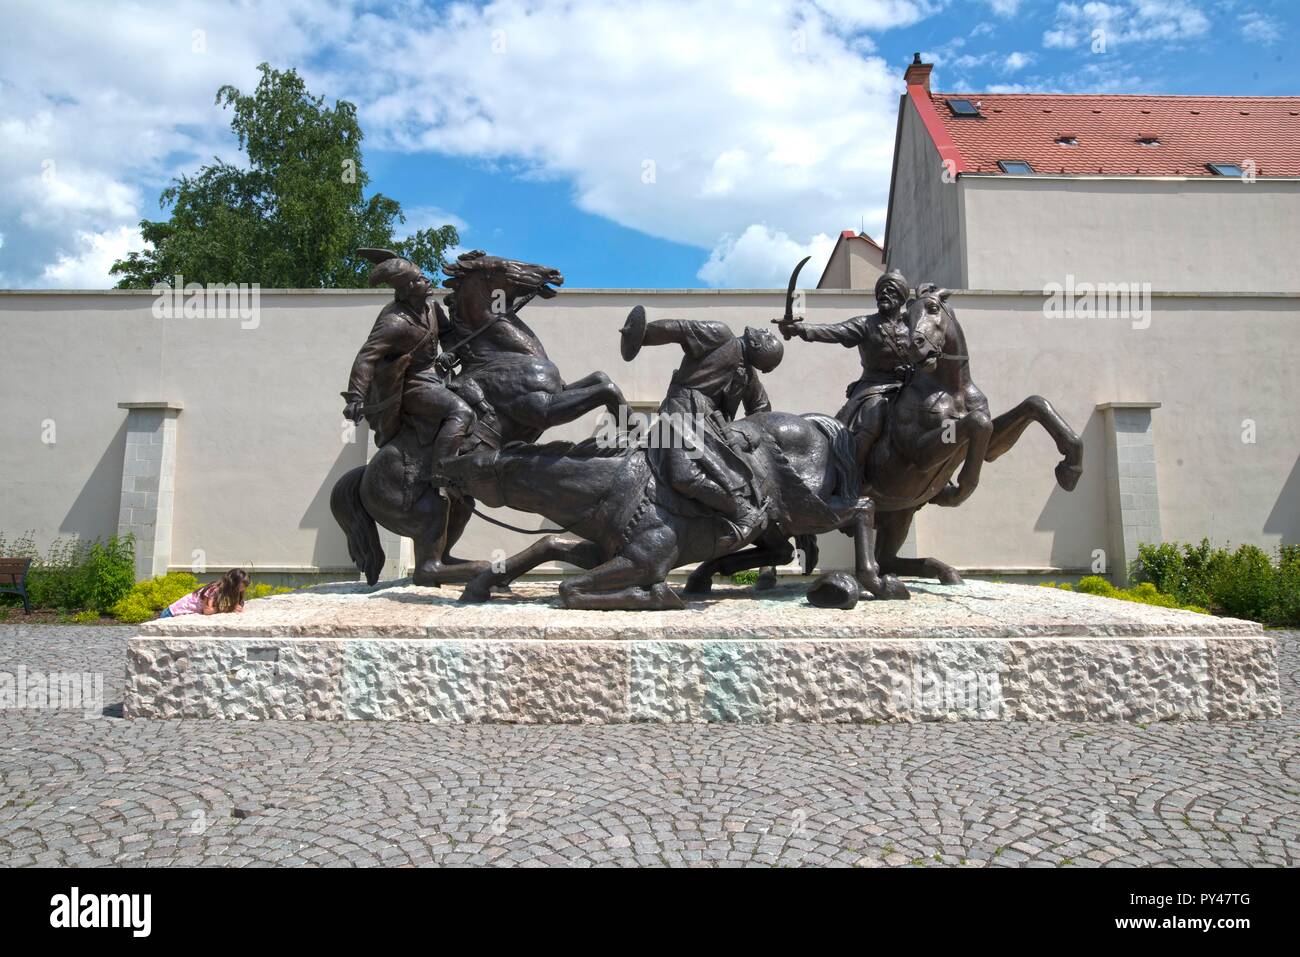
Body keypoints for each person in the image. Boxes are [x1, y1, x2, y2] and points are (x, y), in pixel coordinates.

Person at [635, 317, 784, 549]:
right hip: (682, 411)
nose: (765, 330)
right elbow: (677, 330)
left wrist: (744, 434)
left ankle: (742, 510)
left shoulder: (747, 373)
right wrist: (641, 335)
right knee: (663, 468)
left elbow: (762, 411)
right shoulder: (721, 335)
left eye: (768, 337)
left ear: (758, 348)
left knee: (684, 475)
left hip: (707, 427)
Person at [341, 254, 476, 477]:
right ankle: (442, 475)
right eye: (421, 279)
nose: (428, 280)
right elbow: (367, 357)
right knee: (461, 412)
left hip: (438, 376)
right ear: (409, 287)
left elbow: (447, 334)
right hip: (414, 383)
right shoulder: (394, 322)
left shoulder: (431, 306)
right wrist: (355, 397)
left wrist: (450, 353)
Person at [777, 269, 913, 478]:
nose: (884, 294)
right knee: (872, 419)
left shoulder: (913, 326)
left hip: (908, 385)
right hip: (874, 388)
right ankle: (849, 475)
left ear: (902, 298)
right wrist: (800, 329)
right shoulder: (865, 324)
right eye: (881, 291)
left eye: (891, 290)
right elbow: (834, 331)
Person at [160, 568, 249, 618]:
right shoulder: (214, 590)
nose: (242, 590)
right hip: (171, 614)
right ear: (232, 584)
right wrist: (228, 608)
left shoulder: (228, 592)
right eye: (240, 588)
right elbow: (207, 611)